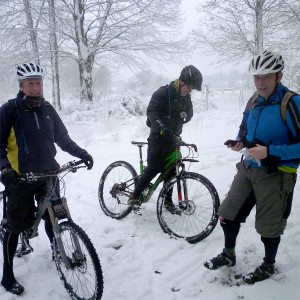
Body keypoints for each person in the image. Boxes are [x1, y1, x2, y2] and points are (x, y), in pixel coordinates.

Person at [204, 50, 300, 284]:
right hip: (248, 167)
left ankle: (268, 265)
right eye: (256, 77)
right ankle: (228, 255)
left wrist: (270, 152)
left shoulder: (291, 102)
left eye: (266, 76)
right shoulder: (253, 101)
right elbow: (245, 129)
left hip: (278, 175)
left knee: (269, 226)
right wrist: (240, 142)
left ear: (279, 76)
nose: (260, 82)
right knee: (227, 214)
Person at [0, 62, 94, 295]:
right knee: (16, 225)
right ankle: (7, 274)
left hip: (50, 175)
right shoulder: (9, 109)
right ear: (22, 86)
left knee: (56, 216)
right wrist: (4, 168)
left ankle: (57, 249)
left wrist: (81, 153)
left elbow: (63, 138)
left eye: (38, 83)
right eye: (30, 83)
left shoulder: (48, 109)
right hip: (20, 178)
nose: (35, 87)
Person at [128, 65, 203, 212]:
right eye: (188, 86)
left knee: (173, 170)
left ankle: (167, 201)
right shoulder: (163, 93)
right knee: (154, 168)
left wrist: (185, 116)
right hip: (158, 137)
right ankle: (134, 196)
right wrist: (161, 127)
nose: (189, 90)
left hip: (173, 138)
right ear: (181, 82)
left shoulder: (186, 97)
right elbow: (151, 111)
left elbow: (189, 114)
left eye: (191, 88)